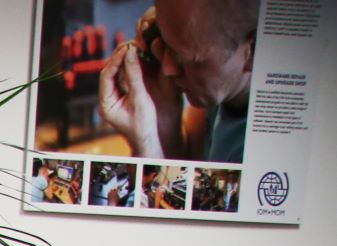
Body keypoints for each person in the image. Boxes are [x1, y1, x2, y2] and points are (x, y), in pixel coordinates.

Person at [98, 0, 253, 164]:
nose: (167, 69)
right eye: (168, 46)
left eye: (190, 60)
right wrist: (165, 127)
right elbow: (186, 176)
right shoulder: (215, 98)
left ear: (254, 51)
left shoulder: (263, 151)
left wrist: (147, 144)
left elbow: (165, 187)